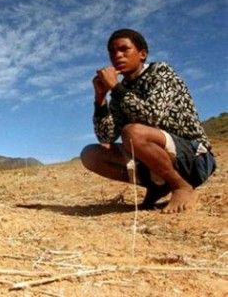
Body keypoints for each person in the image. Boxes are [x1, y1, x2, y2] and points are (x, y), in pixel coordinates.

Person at [80, 28, 216, 213]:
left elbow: (152, 116)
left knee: (132, 133)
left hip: (194, 159)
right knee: (91, 154)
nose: (117, 56)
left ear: (142, 54)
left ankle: (181, 186)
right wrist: (100, 98)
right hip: (157, 158)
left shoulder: (161, 72)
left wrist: (115, 87)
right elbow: (106, 136)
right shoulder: (122, 90)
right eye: (112, 52)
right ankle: (158, 187)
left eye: (124, 49)